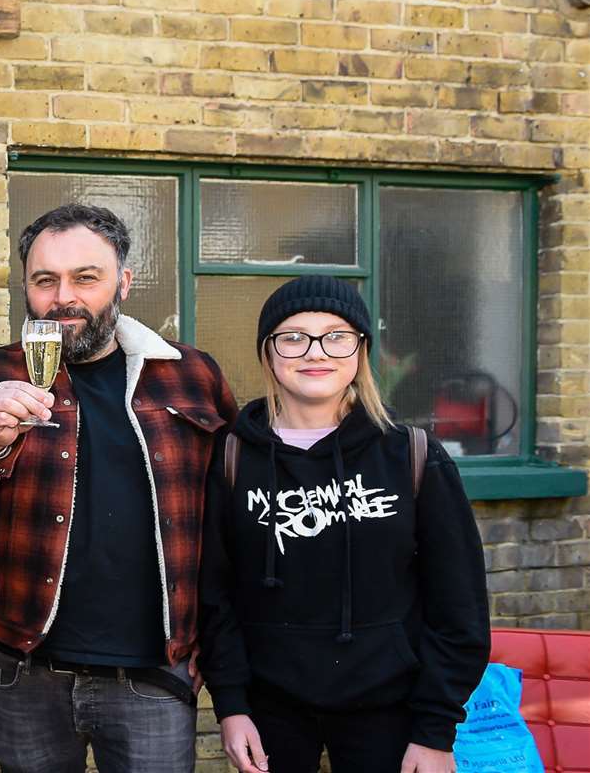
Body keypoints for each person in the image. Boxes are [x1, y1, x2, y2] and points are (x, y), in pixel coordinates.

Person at [0, 203, 239, 773]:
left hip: (154, 672)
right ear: (25, 287)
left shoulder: (193, 374)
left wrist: (218, 639)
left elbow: (233, 515)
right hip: (28, 668)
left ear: (123, 281)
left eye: (85, 278)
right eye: (45, 280)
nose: (63, 296)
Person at [198, 276, 490, 773]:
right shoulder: (232, 455)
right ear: (268, 353)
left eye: (337, 335)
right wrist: (231, 705)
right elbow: (215, 595)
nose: (316, 352)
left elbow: (459, 604)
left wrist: (435, 730)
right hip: (271, 709)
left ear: (360, 350)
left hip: (390, 709)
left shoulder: (411, 455)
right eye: (293, 337)